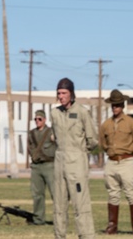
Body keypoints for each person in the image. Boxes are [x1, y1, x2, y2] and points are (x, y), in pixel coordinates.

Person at [49, 77, 98, 239]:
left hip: (77, 163)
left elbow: (93, 140)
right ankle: (59, 235)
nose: (61, 96)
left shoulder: (83, 112)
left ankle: (86, 236)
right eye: (59, 93)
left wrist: (80, 153)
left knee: (81, 205)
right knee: (59, 206)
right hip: (59, 164)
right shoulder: (54, 113)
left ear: (72, 93)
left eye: (64, 93)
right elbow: (54, 136)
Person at [98, 89, 133, 235]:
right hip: (111, 162)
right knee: (113, 194)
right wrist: (111, 154)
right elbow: (103, 143)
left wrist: (129, 157)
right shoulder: (105, 125)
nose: (115, 108)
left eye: (117, 105)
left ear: (122, 105)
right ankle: (112, 226)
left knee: (131, 194)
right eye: (113, 105)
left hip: (127, 161)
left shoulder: (131, 123)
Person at [27, 108, 56, 226]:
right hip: (36, 167)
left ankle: (60, 219)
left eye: (39, 119)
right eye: (35, 119)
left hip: (50, 165)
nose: (37, 121)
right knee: (37, 194)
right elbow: (29, 147)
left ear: (44, 120)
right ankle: (39, 219)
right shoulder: (31, 133)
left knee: (55, 193)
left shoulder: (51, 132)